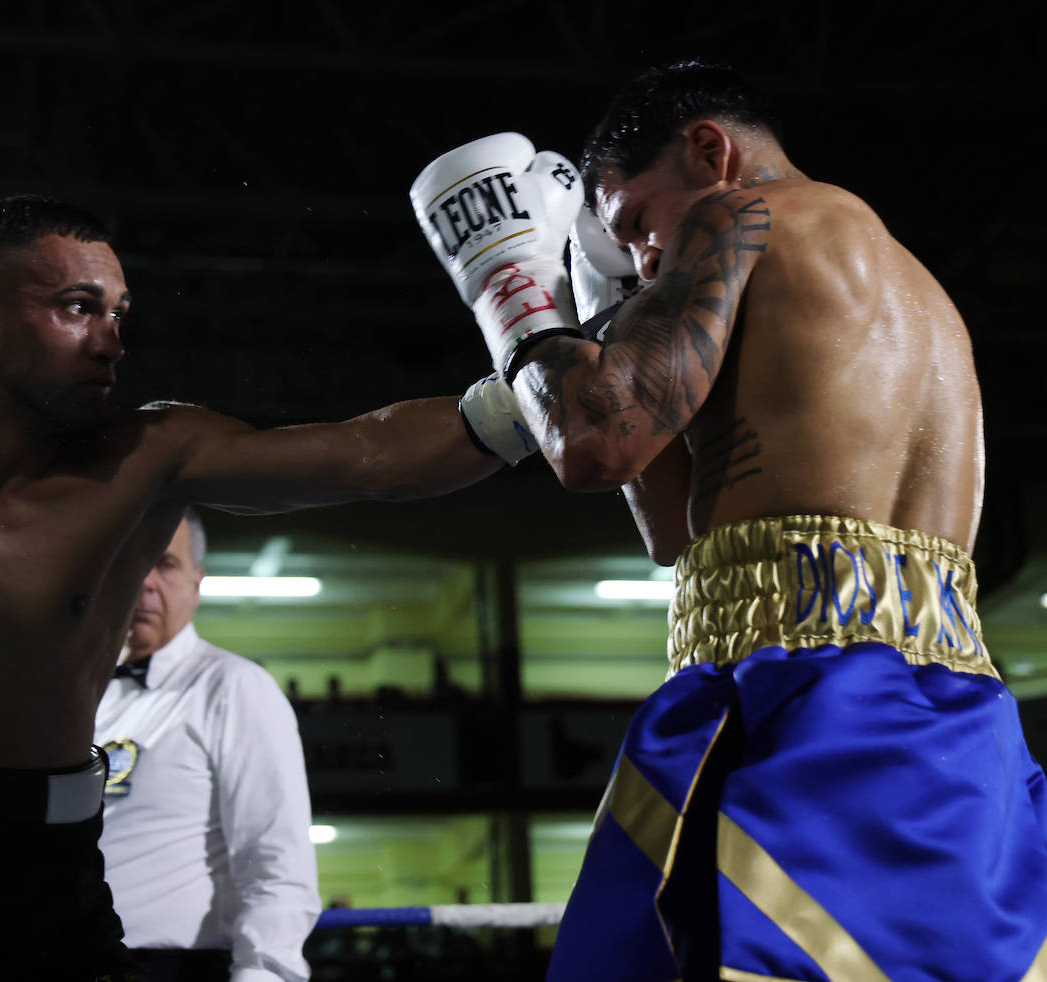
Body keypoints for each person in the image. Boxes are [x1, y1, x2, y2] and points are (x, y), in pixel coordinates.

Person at [0, 194, 516, 980]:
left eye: (118, 313)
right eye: (79, 308)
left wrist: (535, 398)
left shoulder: (152, 457)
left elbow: (368, 456)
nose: (112, 339)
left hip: (40, 876)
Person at [411, 61, 1047, 981]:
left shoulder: (736, 215)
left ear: (710, 153)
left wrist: (512, 292)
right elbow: (673, 531)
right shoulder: (924, 299)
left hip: (810, 700)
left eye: (636, 221)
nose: (641, 259)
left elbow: (592, 443)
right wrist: (606, 314)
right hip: (961, 724)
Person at [94, 509, 318, 982]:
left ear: (197, 583)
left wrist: (265, 976)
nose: (147, 582)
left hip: (175, 968)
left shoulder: (235, 687)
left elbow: (276, 860)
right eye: (132, 563)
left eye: (166, 564)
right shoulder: (72, 693)